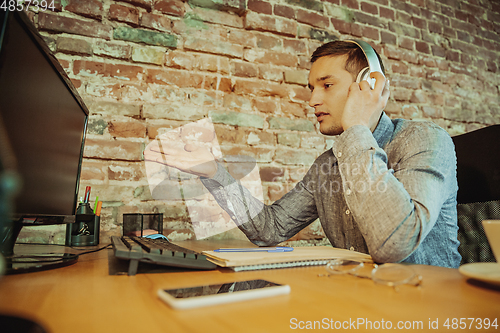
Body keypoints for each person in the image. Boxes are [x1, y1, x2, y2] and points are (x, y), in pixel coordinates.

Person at [145, 40, 461, 268]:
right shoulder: (327, 166)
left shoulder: (424, 140)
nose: (312, 100)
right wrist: (214, 171)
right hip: (360, 304)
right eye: (311, 87)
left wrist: (355, 130)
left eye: (326, 85)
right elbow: (270, 229)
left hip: (428, 308)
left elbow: (395, 243)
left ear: (369, 85)